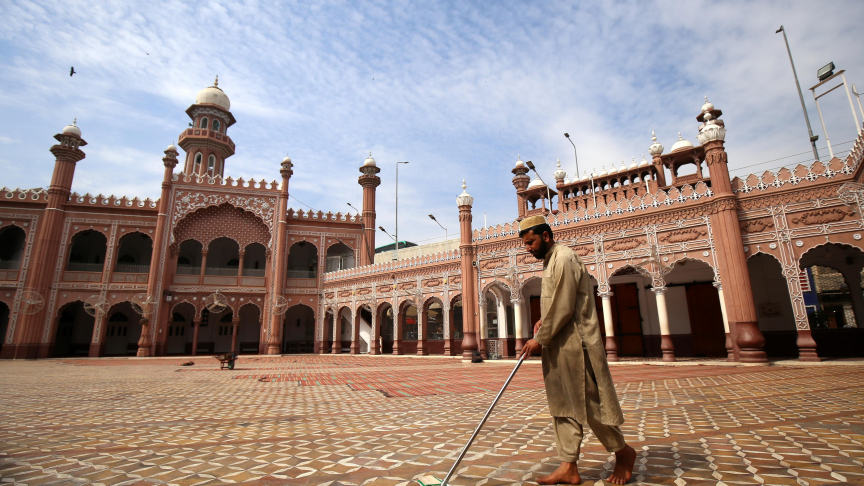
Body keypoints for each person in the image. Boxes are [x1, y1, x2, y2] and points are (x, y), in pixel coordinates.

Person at [517, 215, 635, 485]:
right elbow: (557, 302)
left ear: (545, 236)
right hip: (558, 346)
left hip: (576, 346)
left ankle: (623, 452)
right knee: (562, 405)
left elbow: (564, 305)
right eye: (525, 244)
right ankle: (568, 466)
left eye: (531, 242)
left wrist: (540, 339)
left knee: (588, 404)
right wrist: (543, 321)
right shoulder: (550, 261)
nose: (528, 248)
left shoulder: (564, 258)